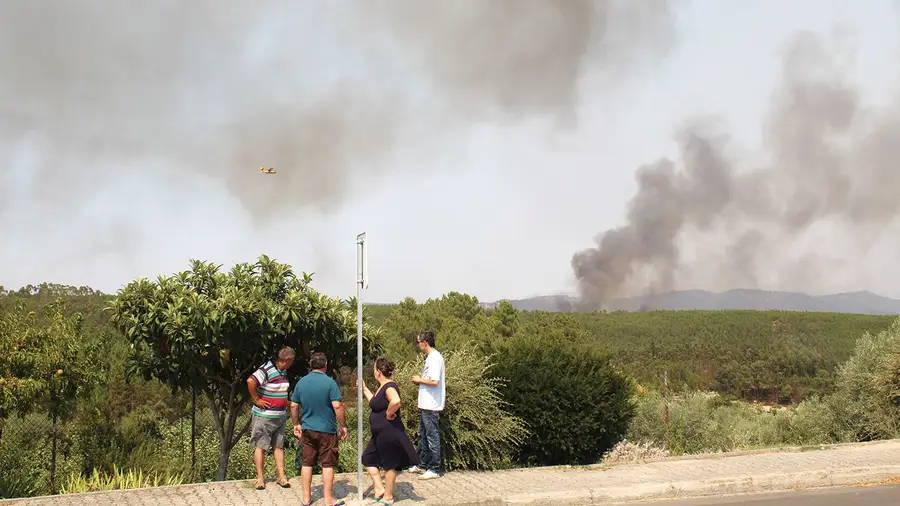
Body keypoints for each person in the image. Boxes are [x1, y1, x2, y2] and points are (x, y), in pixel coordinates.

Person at [290, 352, 348, 506]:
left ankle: (306, 499)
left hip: (307, 429)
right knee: (328, 463)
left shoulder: (301, 383)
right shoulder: (330, 383)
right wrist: (343, 425)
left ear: (310, 365)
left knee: (307, 462)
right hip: (327, 430)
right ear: (325, 365)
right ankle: (328, 499)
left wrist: (296, 423)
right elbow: (338, 405)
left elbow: (294, 405)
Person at [361, 356, 420, 505]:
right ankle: (380, 488)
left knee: (389, 464)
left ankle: (388, 496)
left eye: (374, 369)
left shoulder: (390, 386)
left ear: (379, 371)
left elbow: (396, 401)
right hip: (379, 434)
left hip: (388, 432)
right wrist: (364, 389)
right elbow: (374, 403)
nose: (374, 372)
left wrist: (388, 413)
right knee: (367, 458)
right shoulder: (382, 386)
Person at [247, 346, 295, 490]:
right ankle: (260, 479)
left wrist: (286, 402)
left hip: (279, 415)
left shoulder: (283, 372)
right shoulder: (267, 369)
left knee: (278, 446)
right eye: (291, 361)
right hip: (264, 416)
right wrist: (256, 399)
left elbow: (278, 391)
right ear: (287, 360)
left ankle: (281, 477)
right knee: (261, 446)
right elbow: (251, 381)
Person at [407, 330, 445, 480]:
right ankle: (422, 464)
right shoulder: (430, 358)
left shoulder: (435, 358)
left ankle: (434, 469)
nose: (418, 345)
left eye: (418, 342)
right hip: (426, 405)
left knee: (432, 437)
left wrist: (418, 380)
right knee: (423, 436)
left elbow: (435, 382)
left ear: (425, 342)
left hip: (432, 405)